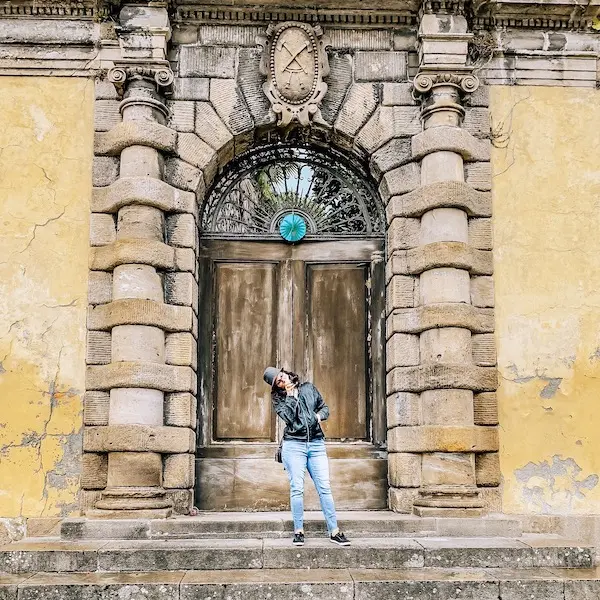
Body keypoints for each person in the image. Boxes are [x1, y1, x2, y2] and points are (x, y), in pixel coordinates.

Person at [263, 366, 351, 547]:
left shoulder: (309, 388)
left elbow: (324, 407)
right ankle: (298, 531)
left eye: (281, 376)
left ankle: (334, 531)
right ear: (277, 386)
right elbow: (288, 417)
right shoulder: (279, 400)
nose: (282, 381)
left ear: (286, 373)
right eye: (278, 382)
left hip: (317, 444)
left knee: (324, 487)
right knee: (297, 488)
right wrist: (289, 396)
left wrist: (318, 417)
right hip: (294, 445)